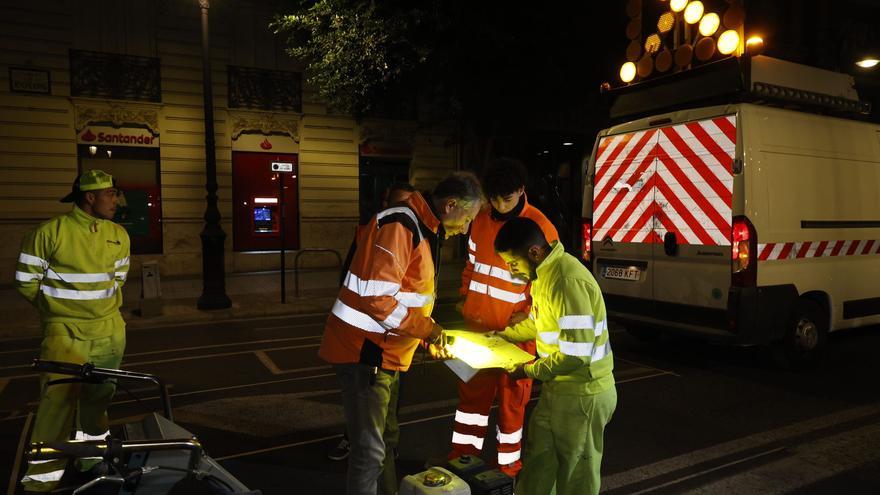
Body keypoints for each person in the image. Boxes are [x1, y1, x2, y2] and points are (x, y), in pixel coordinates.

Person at [319, 172, 484, 495]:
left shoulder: (417, 226)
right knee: (369, 453)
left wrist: (423, 336)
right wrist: (430, 331)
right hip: (366, 356)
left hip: (380, 354)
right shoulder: (402, 225)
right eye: (467, 219)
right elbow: (378, 300)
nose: (466, 229)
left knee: (381, 446)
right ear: (450, 205)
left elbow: (403, 296)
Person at [14, 170, 130, 493]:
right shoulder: (50, 232)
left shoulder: (119, 234)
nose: (115, 200)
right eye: (109, 194)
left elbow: (117, 279)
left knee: (97, 402)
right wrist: (56, 312)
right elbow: (25, 281)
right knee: (57, 406)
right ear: (89, 197)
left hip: (109, 333)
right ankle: (41, 480)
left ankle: (90, 460)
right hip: (64, 334)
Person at [449, 158, 558, 477]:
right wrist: (464, 297)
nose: (498, 205)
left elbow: (545, 289)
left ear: (522, 191)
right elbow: (471, 265)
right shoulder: (480, 218)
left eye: (506, 199)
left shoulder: (542, 227)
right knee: (470, 401)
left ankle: (508, 468)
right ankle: (462, 457)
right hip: (478, 329)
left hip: (517, 335)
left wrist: (525, 317)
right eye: (493, 198)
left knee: (512, 406)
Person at [494, 217, 616, 495]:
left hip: (584, 394)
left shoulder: (566, 280)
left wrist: (528, 371)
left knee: (576, 479)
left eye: (513, 264)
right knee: (539, 462)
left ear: (534, 253)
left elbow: (576, 355)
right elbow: (542, 323)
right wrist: (502, 336)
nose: (513, 272)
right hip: (559, 389)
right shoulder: (545, 275)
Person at [329, 181, 416, 461]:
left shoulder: (417, 233)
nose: (406, 211)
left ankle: (386, 449)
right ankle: (356, 440)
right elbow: (357, 282)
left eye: (410, 205)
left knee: (389, 406)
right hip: (370, 341)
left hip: (398, 338)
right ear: (386, 204)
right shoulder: (375, 230)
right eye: (401, 204)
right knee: (367, 409)